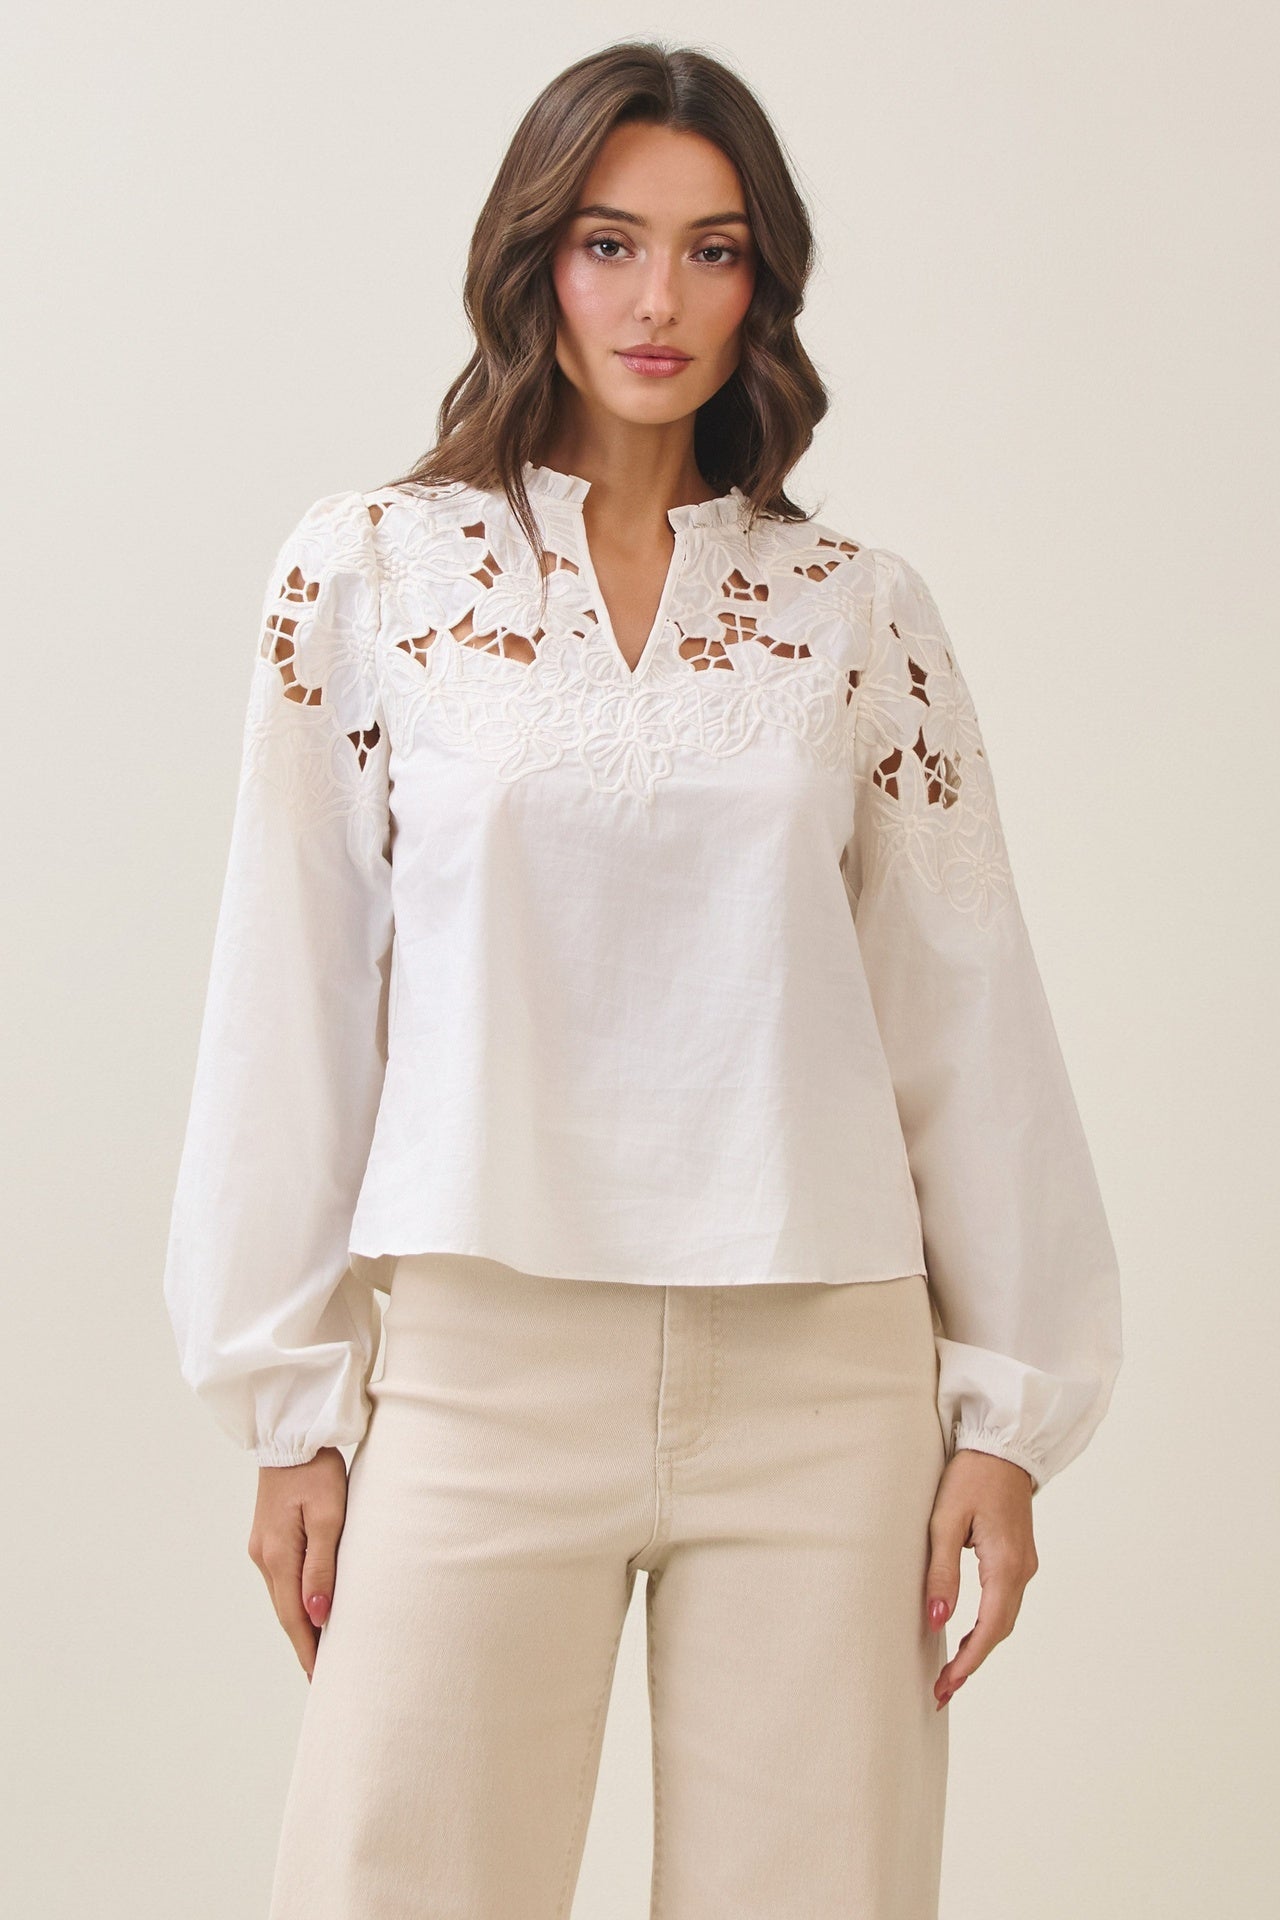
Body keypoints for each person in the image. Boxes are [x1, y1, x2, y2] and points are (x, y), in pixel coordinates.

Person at [162, 39, 1123, 1920]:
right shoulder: (371, 577)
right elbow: (288, 988)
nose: (659, 300)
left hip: (825, 1382)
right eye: (610, 243)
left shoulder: (857, 610)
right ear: (535, 257)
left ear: (765, 284)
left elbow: (964, 1012)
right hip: (484, 1362)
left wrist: (1005, 1423)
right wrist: (289, 1406)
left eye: (713, 249)